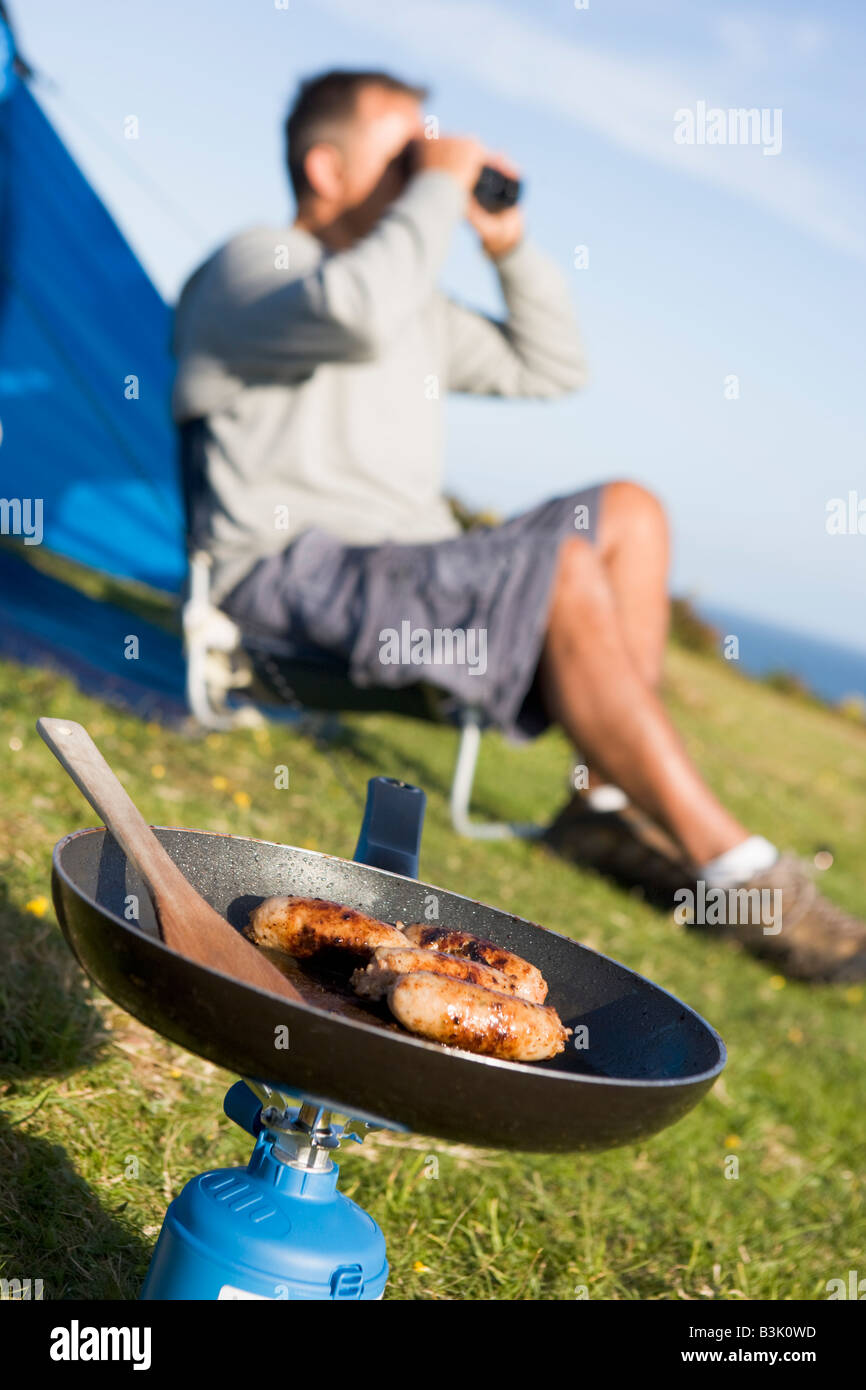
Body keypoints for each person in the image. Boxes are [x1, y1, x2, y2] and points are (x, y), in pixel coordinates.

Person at [172, 69, 865, 983]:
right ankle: (740, 874)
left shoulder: (403, 297)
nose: (432, 173)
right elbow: (359, 313)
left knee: (628, 510)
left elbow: (550, 365)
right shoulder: (253, 267)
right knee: (564, 568)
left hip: (414, 566)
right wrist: (437, 189)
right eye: (407, 155)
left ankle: (601, 810)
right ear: (325, 168)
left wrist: (507, 248)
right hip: (297, 569)